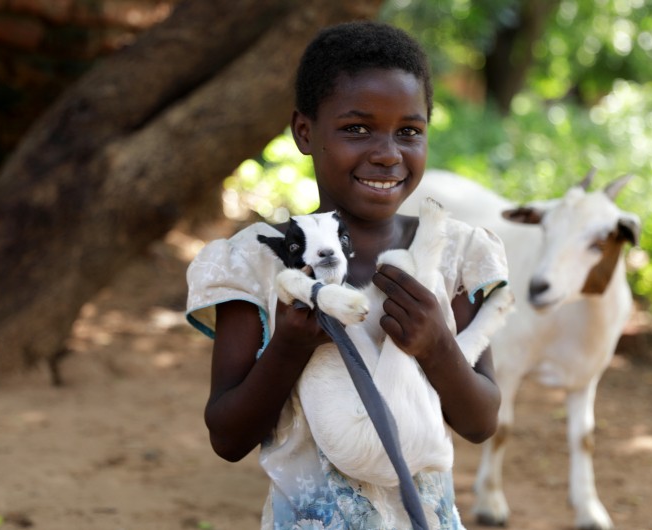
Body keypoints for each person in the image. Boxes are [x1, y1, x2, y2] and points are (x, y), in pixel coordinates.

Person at [186, 20, 508, 529]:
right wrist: (291, 346)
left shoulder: (449, 254)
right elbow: (227, 438)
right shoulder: (260, 262)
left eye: (409, 131)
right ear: (304, 132)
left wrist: (437, 345)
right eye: (357, 128)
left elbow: (481, 421)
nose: (387, 153)